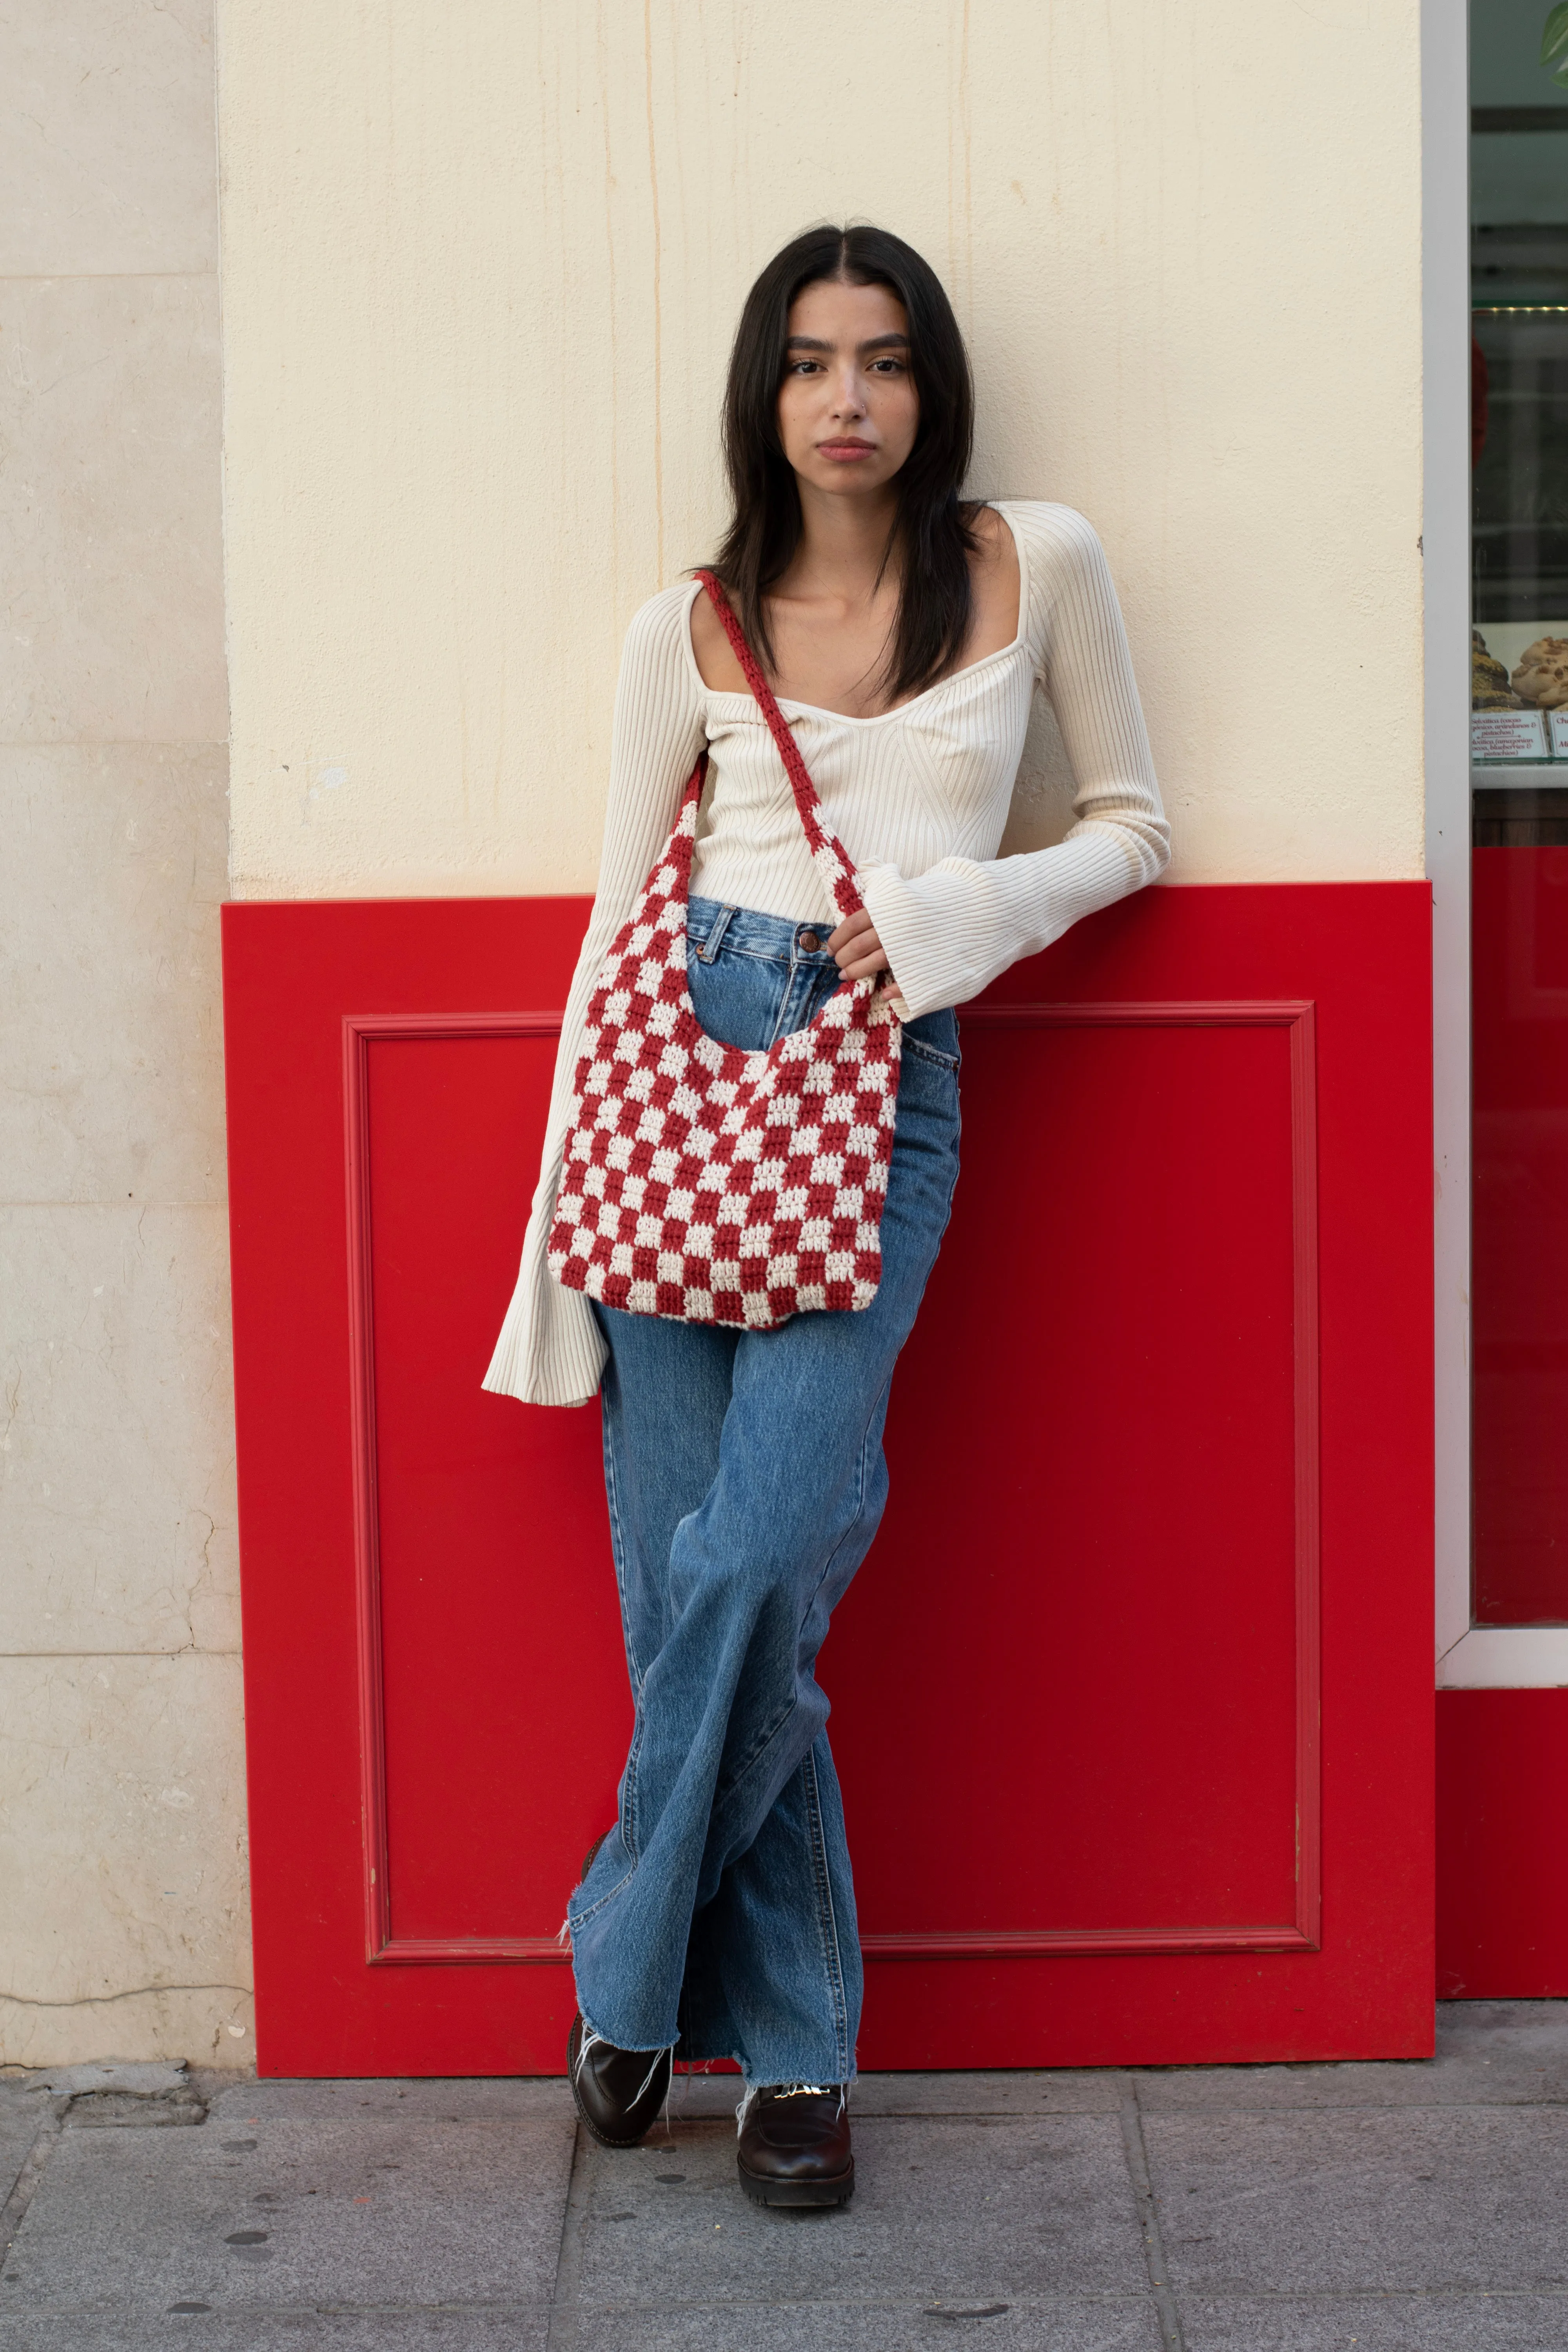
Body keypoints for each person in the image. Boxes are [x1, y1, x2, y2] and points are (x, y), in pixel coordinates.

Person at [484, 222, 1169, 2207]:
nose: (845, 398)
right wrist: (552, 1260)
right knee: (685, 1580)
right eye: (806, 362)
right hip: (677, 1078)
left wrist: (961, 918)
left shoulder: (1034, 564)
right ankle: (791, 2066)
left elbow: (1133, 823)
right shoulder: (681, 626)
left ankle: (623, 1970)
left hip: (884, 1091)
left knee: (762, 1551)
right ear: (762, 394)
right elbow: (615, 930)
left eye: (880, 361)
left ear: (930, 387)